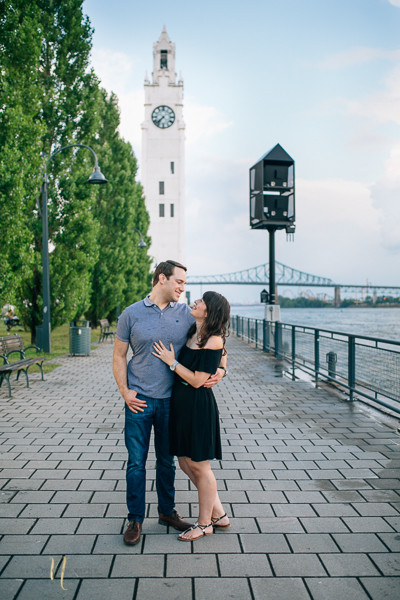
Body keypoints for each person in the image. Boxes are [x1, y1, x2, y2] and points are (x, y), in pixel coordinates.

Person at [113, 261, 226, 546]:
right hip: (138, 401)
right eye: (179, 282)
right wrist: (125, 392)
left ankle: (166, 513)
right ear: (162, 279)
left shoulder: (186, 315)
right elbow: (118, 356)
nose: (183, 288)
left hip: (172, 403)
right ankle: (135, 519)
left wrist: (222, 370)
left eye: (185, 284)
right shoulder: (130, 314)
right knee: (136, 464)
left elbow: (217, 341)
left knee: (168, 463)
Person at [152, 291, 230, 541]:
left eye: (201, 301)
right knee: (185, 462)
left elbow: (197, 380)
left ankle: (205, 523)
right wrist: (222, 369)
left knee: (199, 464)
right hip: (182, 404)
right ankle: (219, 514)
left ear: (209, 311)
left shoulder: (213, 339)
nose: (195, 302)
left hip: (197, 405)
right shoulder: (194, 329)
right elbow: (223, 358)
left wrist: (171, 362)